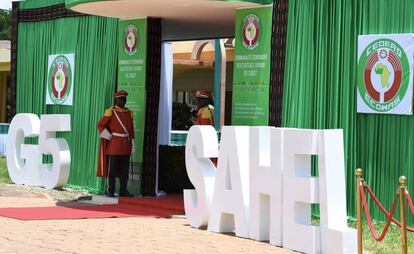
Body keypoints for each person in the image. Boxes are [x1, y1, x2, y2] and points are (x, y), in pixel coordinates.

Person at [97, 90, 135, 198]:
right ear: (116, 100)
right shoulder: (111, 111)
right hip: (114, 144)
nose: (123, 100)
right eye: (121, 99)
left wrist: (133, 143)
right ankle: (111, 190)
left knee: (125, 170)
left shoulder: (129, 112)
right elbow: (100, 125)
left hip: (125, 144)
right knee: (112, 170)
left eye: (124, 98)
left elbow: (131, 130)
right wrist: (108, 135)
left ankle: (123, 190)